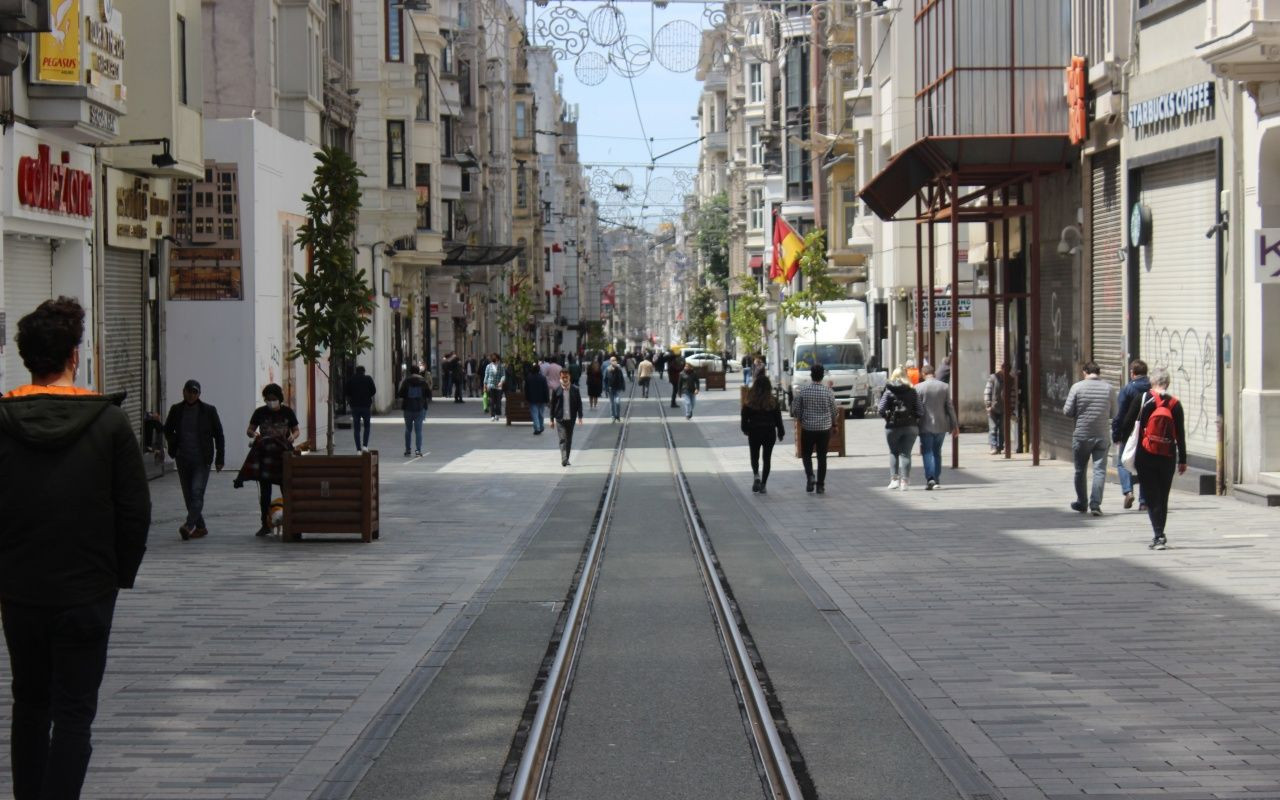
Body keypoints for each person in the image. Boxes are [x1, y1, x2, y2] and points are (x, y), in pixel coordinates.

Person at [0, 297, 150, 800]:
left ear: (26, 357)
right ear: (74, 355)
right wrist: (116, 574)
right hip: (87, 591)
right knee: (73, 714)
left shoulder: (3, 420)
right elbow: (135, 512)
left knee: (29, 704)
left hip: (20, 592)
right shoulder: (108, 424)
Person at [1118, 366, 1186, 550]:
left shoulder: (1143, 399)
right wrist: (1183, 460)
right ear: (1168, 383)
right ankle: (1160, 533)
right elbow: (1180, 434)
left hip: (1145, 455)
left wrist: (1123, 440)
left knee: (1150, 495)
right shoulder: (1175, 404)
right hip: (1168, 456)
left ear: (1152, 382)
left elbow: (1126, 422)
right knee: (1163, 497)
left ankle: (1158, 535)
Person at [163, 379, 226, 539]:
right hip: (182, 459)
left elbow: (219, 435)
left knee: (196, 492)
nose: (191, 395)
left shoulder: (209, 411)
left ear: (199, 394)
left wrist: (220, 458)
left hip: (202, 459)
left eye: (194, 392)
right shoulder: (176, 410)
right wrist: (174, 445)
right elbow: (168, 429)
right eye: (188, 391)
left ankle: (189, 525)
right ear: (183, 391)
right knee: (188, 496)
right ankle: (201, 527)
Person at [236, 383, 300, 536]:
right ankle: (265, 523)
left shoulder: (287, 412)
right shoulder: (260, 412)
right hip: (265, 456)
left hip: (283, 455)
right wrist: (253, 434)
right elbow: (250, 429)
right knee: (265, 493)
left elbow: (296, 430)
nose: (271, 402)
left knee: (287, 490)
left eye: (274, 399)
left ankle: (291, 523)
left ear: (280, 399)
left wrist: (292, 437)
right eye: (268, 399)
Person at [1063, 361, 1115, 515]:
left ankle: (1082, 502)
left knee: (1080, 470)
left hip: (1082, 435)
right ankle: (1095, 504)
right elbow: (1115, 413)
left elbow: (1067, 411)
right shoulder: (1109, 388)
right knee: (1099, 471)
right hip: (1102, 435)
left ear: (1085, 372)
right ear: (1098, 372)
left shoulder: (1077, 387)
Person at [1112, 359, 1151, 511]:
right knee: (1144, 466)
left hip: (1129, 433)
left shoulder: (1127, 389)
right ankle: (1144, 501)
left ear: (1132, 373)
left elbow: (1119, 414)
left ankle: (1128, 491)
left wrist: (1116, 434)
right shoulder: (1152, 388)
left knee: (1122, 462)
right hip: (1149, 432)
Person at [792, 364, 838, 494]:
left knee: (806, 454)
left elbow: (796, 410)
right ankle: (820, 485)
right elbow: (834, 411)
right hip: (824, 428)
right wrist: (834, 425)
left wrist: (801, 419)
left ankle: (810, 476)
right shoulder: (828, 391)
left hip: (808, 428)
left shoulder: (804, 391)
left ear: (811, 375)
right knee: (822, 456)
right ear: (822, 376)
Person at [878, 368, 924, 491]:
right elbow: (920, 410)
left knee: (893, 452)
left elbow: (881, 409)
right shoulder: (913, 391)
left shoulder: (888, 392)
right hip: (910, 427)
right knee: (906, 453)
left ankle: (894, 480)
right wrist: (914, 418)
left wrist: (887, 417)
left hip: (892, 427)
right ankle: (905, 482)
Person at [915, 363, 958, 490]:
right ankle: (937, 478)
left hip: (925, 425)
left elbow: (917, 409)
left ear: (923, 374)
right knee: (936, 452)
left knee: (927, 452)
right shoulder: (944, 387)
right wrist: (954, 425)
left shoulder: (918, 387)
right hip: (941, 424)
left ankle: (930, 478)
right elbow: (950, 407)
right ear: (933, 373)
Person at [741, 375, 786, 494]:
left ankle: (756, 475)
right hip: (769, 432)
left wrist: (745, 429)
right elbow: (778, 418)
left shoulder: (749, 400)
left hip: (754, 431)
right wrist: (781, 432)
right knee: (767, 458)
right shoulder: (773, 400)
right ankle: (763, 484)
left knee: (754, 456)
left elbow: (744, 417)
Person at [550, 369, 585, 467]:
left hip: (571, 418)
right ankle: (564, 458)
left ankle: (567, 458)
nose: (565, 379)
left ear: (569, 377)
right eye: (563, 377)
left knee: (569, 439)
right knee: (562, 439)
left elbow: (579, 404)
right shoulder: (556, 390)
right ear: (560, 377)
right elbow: (552, 405)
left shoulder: (575, 389)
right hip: (560, 419)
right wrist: (551, 420)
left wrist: (580, 416)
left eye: (566, 377)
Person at [397, 364, 430, 456]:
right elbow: (428, 394)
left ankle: (408, 450)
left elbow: (400, 394)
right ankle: (418, 450)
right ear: (418, 371)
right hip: (420, 407)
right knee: (418, 430)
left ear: (410, 371)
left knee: (408, 429)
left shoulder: (406, 381)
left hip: (408, 407)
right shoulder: (423, 381)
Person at [344, 365, 376, 451]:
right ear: (364, 371)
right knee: (367, 426)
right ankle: (365, 445)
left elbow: (346, 392)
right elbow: (373, 390)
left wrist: (351, 400)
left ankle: (358, 449)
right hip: (366, 406)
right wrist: (367, 396)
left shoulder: (351, 380)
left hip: (355, 406)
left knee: (357, 428)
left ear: (356, 371)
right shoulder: (368, 379)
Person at [984, 364, 1009, 454]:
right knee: (993, 428)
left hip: (1003, 408)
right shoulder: (993, 378)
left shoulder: (1009, 379)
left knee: (1002, 429)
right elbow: (987, 391)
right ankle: (993, 446)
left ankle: (1000, 446)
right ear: (1002, 369)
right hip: (993, 407)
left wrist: (1011, 408)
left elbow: (1012, 394)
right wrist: (988, 405)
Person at [525, 360, 550, 435]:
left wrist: (527, 398)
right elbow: (546, 389)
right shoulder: (542, 378)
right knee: (541, 414)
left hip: (532, 399)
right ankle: (541, 426)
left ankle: (537, 428)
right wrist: (547, 399)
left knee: (534, 413)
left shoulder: (528, 377)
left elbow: (526, 389)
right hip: (541, 398)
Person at [605, 355, 627, 421]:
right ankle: (613, 416)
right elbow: (605, 379)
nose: (614, 361)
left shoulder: (619, 369)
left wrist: (623, 386)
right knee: (612, 403)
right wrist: (606, 389)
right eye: (612, 360)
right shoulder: (608, 369)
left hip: (617, 388)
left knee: (617, 402)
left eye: (615, 360)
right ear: (610, 362)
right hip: (610, 388)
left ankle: (617, 415)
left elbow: (622, 378)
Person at [484, 354, 504, 421]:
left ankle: (497, 414)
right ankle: (492, 415)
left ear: (498, 359)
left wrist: (501, 382)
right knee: (492, 401)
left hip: (498, 386)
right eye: (493, 358)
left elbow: (503, 375)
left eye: (495, 358)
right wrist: (485, 385)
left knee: (498, 402)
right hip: (491, 386)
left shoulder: (501, 366)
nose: (494, 360)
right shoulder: (488, 366)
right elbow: (486, 376)